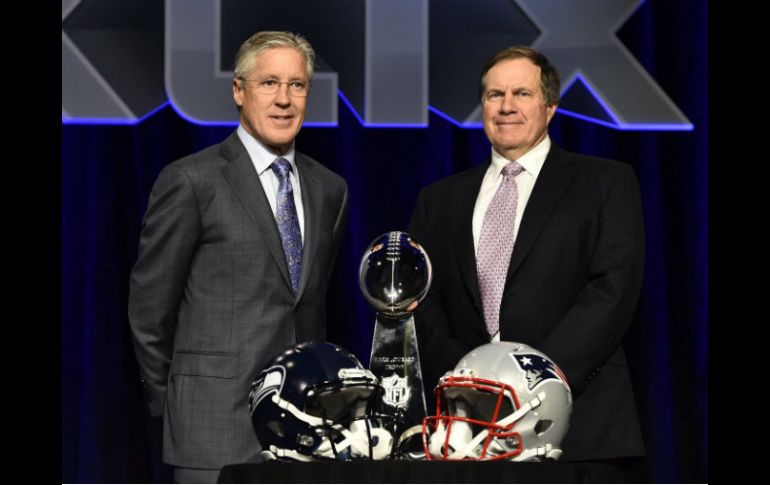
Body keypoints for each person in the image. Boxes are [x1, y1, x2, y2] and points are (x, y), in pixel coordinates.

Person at [408, 46, 645, 479]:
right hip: (468, 430)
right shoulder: (439, 200)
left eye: (521, 93)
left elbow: (613, 290)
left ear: (550, 107)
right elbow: (426, 303)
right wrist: (472, 385)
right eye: (494, 94)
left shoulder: (605, 182)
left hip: (580, 426)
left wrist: (530, 385)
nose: (506, 106)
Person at [128, 31, 348, 483]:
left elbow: (309, 308)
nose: (284, 99)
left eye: (297, 85)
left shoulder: (330, 189)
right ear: (239, 91)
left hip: (304, 433)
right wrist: (176, 401)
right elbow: (150, 308)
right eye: (269, 83)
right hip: (213, 430)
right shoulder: (192, 181)